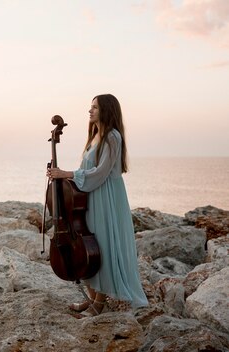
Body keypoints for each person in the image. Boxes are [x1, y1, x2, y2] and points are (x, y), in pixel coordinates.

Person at [46, 94, 148, 316]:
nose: (90, 111)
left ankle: (98, 305)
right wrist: (61, 177)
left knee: (104, 246)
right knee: (90, 247)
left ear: (107, 110)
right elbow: (88, 170)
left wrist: (66, 173)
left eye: (95, 108)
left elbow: (101, 173)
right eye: (90, 107)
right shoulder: (95, 136)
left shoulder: (113, 137)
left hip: (107, 197)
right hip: (93, 195)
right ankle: (91, 300)